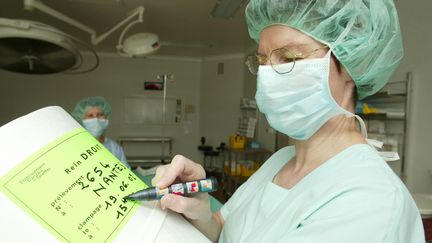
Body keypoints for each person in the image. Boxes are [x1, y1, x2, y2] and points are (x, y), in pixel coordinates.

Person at [152, 0, 425, 242]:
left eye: (291, 58)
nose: (269, 76)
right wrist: (200, 211)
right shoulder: (280, 160)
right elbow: (223, 229)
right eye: (262, 60)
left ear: (353, 67)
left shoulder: (371, 200)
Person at [71, 96, 130, 169]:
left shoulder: (114, 147)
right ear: (81, 119)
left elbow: (126, 172)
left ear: (106, 118)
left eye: (100, 115)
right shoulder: (74, 147)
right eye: (90, 116)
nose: (96, 119)